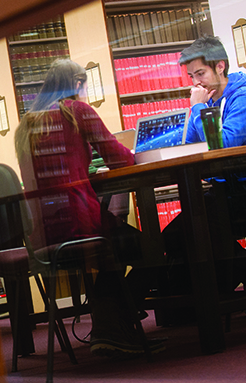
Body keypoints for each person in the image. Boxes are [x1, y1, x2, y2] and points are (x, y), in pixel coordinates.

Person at [14, 59, 164, 357]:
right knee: (150, 251)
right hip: (80, 223)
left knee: (117, 246)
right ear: (79, 84)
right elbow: (120, 159)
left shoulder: (26, 125)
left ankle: (110, 326)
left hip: (42, 233)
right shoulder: (76, 112)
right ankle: (113, 324)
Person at [163, 36, 246, 299]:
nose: (195, 82)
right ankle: (245, 274)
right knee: (172, 235)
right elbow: (190, 146)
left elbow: (221, 145)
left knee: (197, 222)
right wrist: (196, 111)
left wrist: (199, 106)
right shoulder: (210, 102)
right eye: (191, 76)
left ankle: (240, 280)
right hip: (227, 189)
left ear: (220, 66)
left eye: (200, 73)